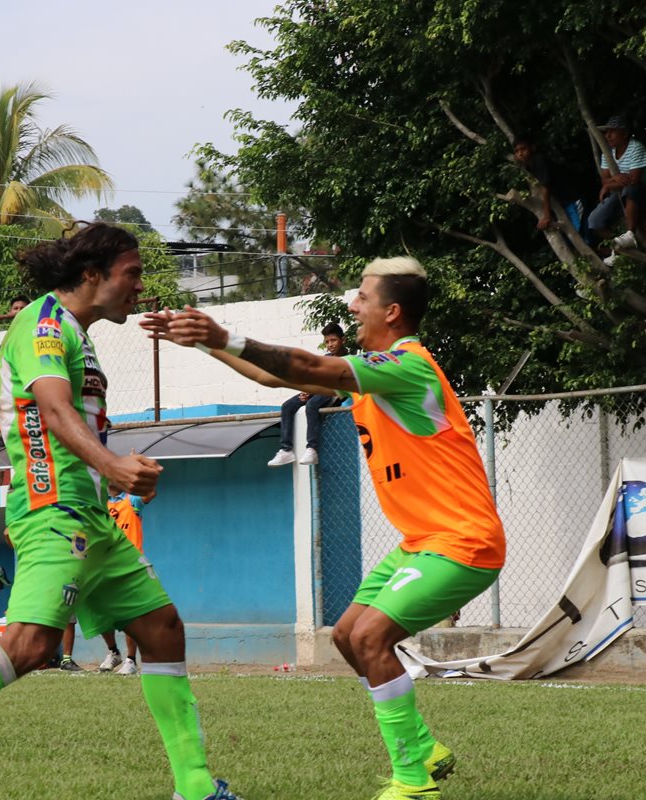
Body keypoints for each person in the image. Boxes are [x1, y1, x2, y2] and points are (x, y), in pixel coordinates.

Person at [0, 223, 242, 800]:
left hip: (88, 514)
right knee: (32, 643)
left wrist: (116, 475)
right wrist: (115, 466)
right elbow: (55, 411)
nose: (139, 287)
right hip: (49, 509)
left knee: (162, 630)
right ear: (92, 276)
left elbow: (78, 422)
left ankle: (194, 789)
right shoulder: (42, 323)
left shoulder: (77, 333)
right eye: (132, 274)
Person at [144, 256, 506, 800]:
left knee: (369, 636)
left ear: (392, 310)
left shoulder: (408, 368)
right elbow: (277, 374)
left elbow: (313, 368)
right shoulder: (377, 372)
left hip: (463, 542)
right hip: (421, 543)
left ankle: (414, 781)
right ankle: (424, 748)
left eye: (362, 297)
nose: (352, 306)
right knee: (346, 637)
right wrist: (205, 342)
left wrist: (226, 333)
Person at [267, 323, 347, 466]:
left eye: (333, 340)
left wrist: (312, 393)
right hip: (318, 391)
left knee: (312, 405)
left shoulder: (348, 360)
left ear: (343, 340)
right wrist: (307, 391)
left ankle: (312, 449)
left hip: (335, 392)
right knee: (287, 406)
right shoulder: (326, 358)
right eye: (327, 342)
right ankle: (286, 450)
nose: (330, 344)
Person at [98, 483, 155, 675]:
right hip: (107, 566)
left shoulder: (132, 500)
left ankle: (131, 660)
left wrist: (139, 472)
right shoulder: (101, 504)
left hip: (130, 566)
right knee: (102, 613)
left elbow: (150, 492)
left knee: (130, 615)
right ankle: (113, 652)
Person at [586, 115, 646, 256]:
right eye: (606, 132)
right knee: (594, 221)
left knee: (631, 189)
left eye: (613, 131)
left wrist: (609, 185)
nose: (608, 135)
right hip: (620, 192)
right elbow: (604, 180)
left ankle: (630, 234)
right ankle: (618, 250)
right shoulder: (607, 153)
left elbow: (633, 180)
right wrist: (614, 179)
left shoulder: (636, 147)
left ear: (625, 133)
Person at [513, 134, 587, 238]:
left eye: (523, 149)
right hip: (562, 203)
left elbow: (545, 188)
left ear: (532, 148)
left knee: (579, 235)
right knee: (572, 235)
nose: (520, 153)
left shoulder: (539, 161)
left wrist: (547, 216)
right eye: (517, 151)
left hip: (572, 200)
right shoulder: (529, 165)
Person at [0, 295, 30, 366]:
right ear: (10, 312)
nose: (19, 311)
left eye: (22, 308)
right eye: (15, 308)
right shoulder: (10, 335)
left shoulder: (36, 329)